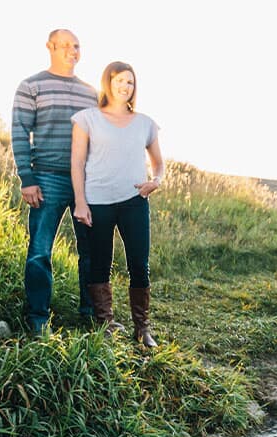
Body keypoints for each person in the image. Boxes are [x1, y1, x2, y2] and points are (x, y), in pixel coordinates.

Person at [71, 61, 164, 347]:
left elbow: (159, 164)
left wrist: (156, 181)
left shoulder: (145, 122)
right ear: (107, 83)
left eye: (130, 82)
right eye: (120, 81)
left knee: (139, 263)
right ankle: (105, 324)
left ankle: (142, 327)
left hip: (134, 201)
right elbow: (76, 163)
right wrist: (81, 203)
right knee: (100, 264)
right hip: (97, 201)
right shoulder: (87, 118)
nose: (126, 86)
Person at [12, 29, 98, 334]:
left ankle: (91, 316)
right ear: (50, 47)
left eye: (77, 46)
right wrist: (28, 178)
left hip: (86, 183)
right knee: (39, 250)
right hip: (46, 178)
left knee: (91, 251)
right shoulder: (31, 86)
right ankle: (37, 318)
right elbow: (20, 132)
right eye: (66, 46)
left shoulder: (91, 92)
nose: (73, 51)